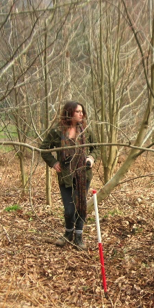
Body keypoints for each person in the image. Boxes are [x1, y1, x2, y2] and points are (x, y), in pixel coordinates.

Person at [40, 101, 98, 250]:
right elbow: (44, 148)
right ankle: (68, 233)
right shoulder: (57, 132)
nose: (81, 114)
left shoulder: (86, 131)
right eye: (77, 111)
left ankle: (78, 237)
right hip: (65, 176)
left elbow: (96, 148)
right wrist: (53, 163)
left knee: (81, 206)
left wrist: (91, 158)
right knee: (69, 209)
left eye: (82, 111)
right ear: (69, 113)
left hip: (83, 175)